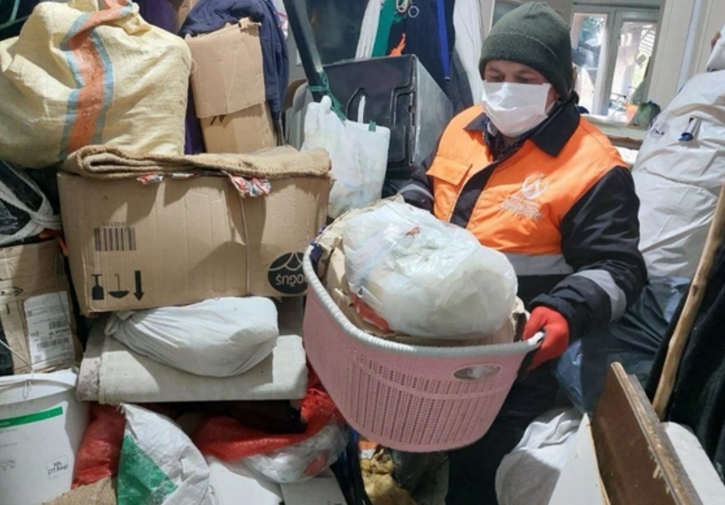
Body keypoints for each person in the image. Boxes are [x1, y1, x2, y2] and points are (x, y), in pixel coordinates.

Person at [397, 3, 647, 504]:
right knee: (419, 434)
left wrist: (565, 310)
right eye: (495, 75)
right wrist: (408, 207)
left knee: (480, 472)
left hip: (510, 357)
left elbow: (620, 267)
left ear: (557, 86)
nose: (506, 88)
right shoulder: (466, 123)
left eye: (525, 77)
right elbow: (428, 181)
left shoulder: (594, 166)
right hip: (434, 333)